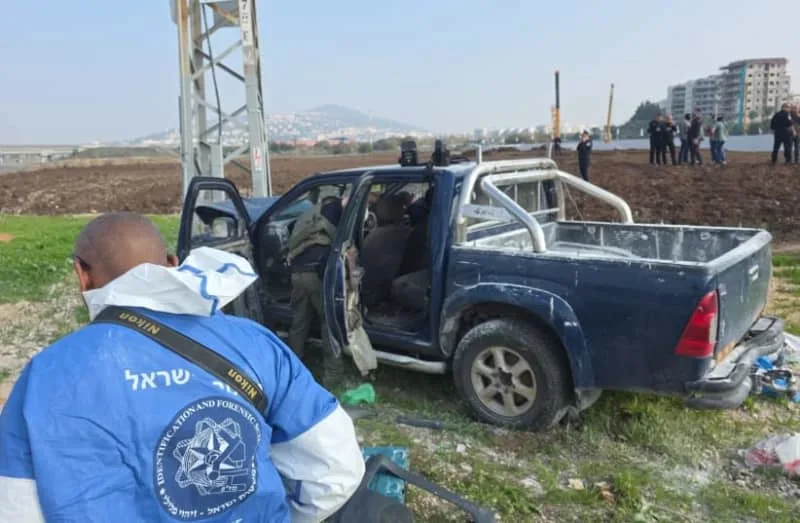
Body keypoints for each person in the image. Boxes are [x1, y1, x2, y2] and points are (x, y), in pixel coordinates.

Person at [0, 213, 365, 522]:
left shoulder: (44, 377)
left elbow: (14, 507)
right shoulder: (256, 344)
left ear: (82, 275)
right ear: (173, 264)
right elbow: (334, 470)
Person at [286, 186, 346, 385]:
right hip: (317, 275)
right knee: (328, 322)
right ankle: (333, 376)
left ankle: (293, 369)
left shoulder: (308, 213)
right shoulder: (336, 210)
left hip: (297, 272)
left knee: (299, 322)